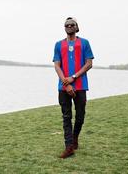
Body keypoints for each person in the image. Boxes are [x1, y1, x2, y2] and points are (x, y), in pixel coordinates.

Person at [53, 17, 94, 158]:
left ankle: (75, 137)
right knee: (66, 117)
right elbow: (57, 65)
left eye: (72, 24)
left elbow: (89, 63)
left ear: (77, 27)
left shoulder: (85, 43)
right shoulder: (58, 45)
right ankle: (69, 147)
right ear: (64, 28)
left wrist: (74, 77)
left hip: (81, 86)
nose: (69, 26)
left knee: (80, 116)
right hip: (63, 87)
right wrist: (66, 82)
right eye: (66, 25)